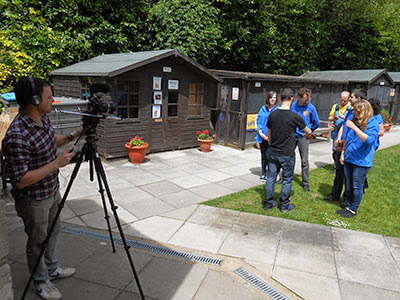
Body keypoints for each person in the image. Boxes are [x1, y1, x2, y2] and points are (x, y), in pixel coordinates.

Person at [2, 77, 82, 300]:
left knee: (54, 230)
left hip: (51, 189)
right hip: (33, 199)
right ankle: (40, 281)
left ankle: (51, 268)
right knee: (37, 241)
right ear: (35, 100)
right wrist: (56, 164)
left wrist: (71, 136)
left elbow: (49, 139)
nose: (53, 100)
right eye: (49, 97)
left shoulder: (43, 119)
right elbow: (20, 180)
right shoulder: (18, 135)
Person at [263, 88, 311, 212]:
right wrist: (307, 136)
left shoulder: (272, 114)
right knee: (287, 179)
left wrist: (271, 144)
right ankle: (284, 206)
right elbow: (308, 130)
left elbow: (269, 133)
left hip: (273, 152)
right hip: (287, 154)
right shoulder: (295, 116)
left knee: (271, 178)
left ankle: (268, 204)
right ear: (292, 99)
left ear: (280, 98)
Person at [336, 100, 379, 218]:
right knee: (348, 185)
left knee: (357, 186)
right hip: (349, 158)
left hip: (361, 161)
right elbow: (347, 140)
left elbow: (369, 140)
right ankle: (348, 206)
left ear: (363, 111)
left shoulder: (372, 124)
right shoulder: (354, 121)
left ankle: (353, 209)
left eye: (356, 110)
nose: (353, 112)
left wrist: (354, 128)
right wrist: (343, 154)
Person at [324, 91, 351, 204]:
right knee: (337, 162)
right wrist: (333, 119)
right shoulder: (336, 106)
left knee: (348, 174)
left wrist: (345, 117)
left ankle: (347, 198)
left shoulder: (352, 109)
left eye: (345, 99)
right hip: (337, 136)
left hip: (347, 139)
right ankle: (335, 194)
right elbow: (330, 117)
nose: (343, 101)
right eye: (342, 99)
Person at [290, 87, 320, 191]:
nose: (307, 101)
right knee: (289, 158)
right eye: (305, 99)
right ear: (299, 98)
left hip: (303, 137)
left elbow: (316, 122)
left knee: (305, 161)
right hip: (292, 136)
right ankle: (287, 177)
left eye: (308, 99)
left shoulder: (311, 108)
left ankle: (305, 182)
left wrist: (309, 131)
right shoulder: (292, 106)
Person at [256, 91, 278, 180]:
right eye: (271, 97)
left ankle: (271, 173)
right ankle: (263, 173)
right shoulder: (263, 109)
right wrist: (261, 133)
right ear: (268, 98)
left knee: (270, 156)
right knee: (263, 156)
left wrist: (270, 136)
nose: (272, 99)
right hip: (262, 137)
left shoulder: (277, 110)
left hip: (272, 138)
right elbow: (258, 121)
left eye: (274, 98)